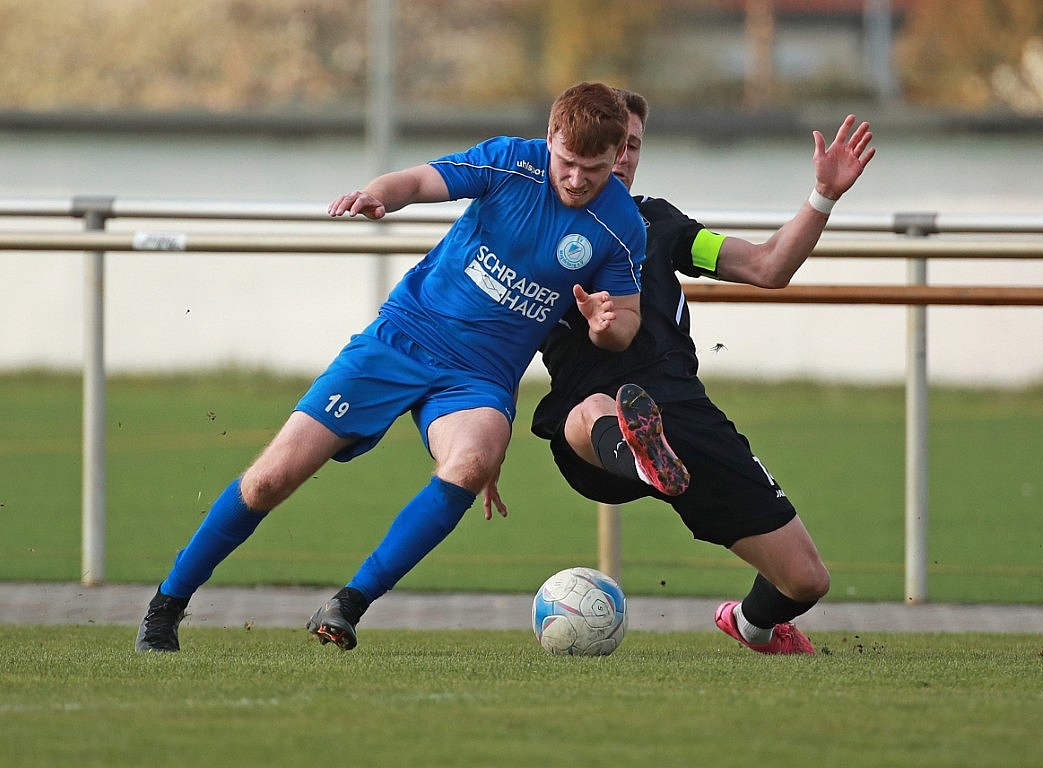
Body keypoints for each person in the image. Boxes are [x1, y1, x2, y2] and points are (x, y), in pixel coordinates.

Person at [135, 81, 647, 653]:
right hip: (400, 340)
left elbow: (625, 322)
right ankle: (167, 605)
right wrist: (379, 194)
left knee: (473, 460)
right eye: (568, 163)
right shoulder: (510, 162)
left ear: (615, 156)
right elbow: (422, 180)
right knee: (270, 478)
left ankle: (348, 604)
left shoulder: (621, 225)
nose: (576, 180)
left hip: (478, 378)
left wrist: (604, 324)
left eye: (593, 169)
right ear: (550, 137)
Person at [530, 89, 875, 654]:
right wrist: (482, 447)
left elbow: (767, 266)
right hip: (591, 432)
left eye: (631, 145)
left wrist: (823, 195)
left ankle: (751, 624)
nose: (621, 157)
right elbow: (492, 342)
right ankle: (643, 458)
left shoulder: (658, 223)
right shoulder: (532, 231)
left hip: (684, 416)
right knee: (595, 408)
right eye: (611, 145)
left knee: (806, 580)